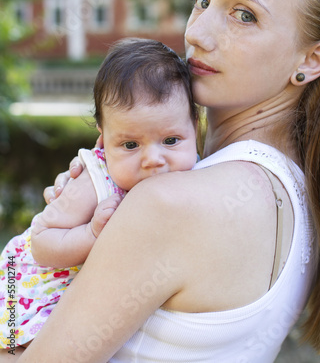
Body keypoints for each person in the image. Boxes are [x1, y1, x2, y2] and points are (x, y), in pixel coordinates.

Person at [8, 0, 320, 362]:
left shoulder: (169, 204)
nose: (197, 35)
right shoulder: (305, 198)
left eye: (244, 15)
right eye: (202, 1)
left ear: (311, 60)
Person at [0, 38, 198, 352]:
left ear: (195, 129)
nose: (153, 159)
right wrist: (93, 234)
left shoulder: (199, 173)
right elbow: (41, 242)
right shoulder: (94, 184)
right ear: (103, 143)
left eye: (171, 140)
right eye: (131, 145)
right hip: (25, 286)